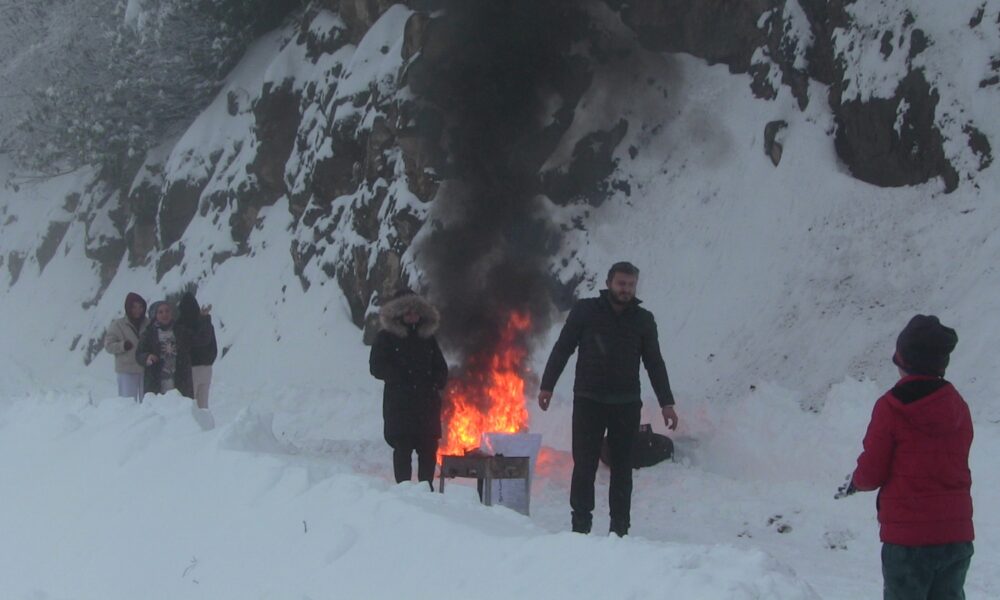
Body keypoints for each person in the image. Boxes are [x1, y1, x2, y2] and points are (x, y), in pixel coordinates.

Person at [538, 261, 679, 536]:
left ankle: (619, 529)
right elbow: (563, 348)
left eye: (630, 285)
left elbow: (654, 363)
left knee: (622, 468)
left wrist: (667, 403)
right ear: (608, 283)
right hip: (588, 400)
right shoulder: (585, 311)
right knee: (584, 465)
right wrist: (547, 386)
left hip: (626, 404)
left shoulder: (643, 320)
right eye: (621, 283)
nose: (625, 289)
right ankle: (580, 526)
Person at [839, 314, 973, 599]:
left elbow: (872, 471)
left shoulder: (891, 407)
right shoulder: (957, 405)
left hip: (909, 539)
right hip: (956, 533)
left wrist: (857, 482)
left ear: (904, 363)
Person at [369, 288, 449, 488]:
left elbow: (441, 368)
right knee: (402, 449)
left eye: (415, 312)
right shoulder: (386, 338)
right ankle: (403, 491)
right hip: (400, 406)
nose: (412, 316)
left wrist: (435, 382)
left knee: (428, 449)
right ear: (398, 314)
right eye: (408, 312)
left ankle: (426, 489)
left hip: (427, 406)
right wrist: (400, 377)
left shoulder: (427, 339)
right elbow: (376, 366)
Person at [136, 300, 194, 399]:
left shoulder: (181, 330)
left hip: (180, 380)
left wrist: (204, 319)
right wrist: (147, 357)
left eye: (167, 311)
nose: (164, 314)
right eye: (160, 312)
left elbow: (198, 341)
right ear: (155, 315)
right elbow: (139, 354)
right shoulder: (149, 333)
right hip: (156, 381)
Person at [104, 292, 149, 402]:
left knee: (148, 402)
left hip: (146, 369)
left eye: (140, 307)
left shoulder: (148, 323)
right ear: (128, 308)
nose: (138, 310)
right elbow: (108, 345)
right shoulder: (118, 325)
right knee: (128, 403)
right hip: (127, 370)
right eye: (134, 307)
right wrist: (122, 346)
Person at [177, 291, 217, 409]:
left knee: (189, 405)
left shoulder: (180, 326)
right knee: (203, 405)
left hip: (190, 368)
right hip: (206, 367)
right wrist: (209, 360)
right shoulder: (205, 324)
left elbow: (188, 344)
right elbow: (212, 346)